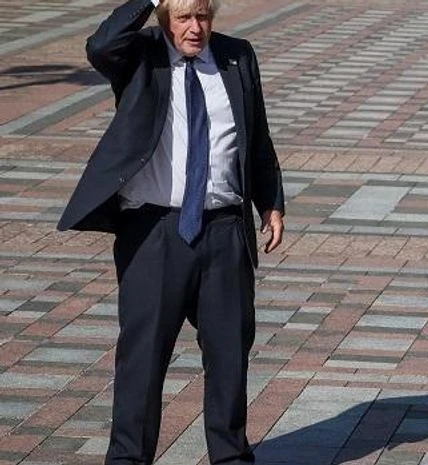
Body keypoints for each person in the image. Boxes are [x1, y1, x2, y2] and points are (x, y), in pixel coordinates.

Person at [57, 0, 285, 463]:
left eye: (203, 16)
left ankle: (230, 456)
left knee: (229, 357)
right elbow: (101, 45)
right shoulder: (141, 55)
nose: (195, 28)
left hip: (224, 231)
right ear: (165, 19)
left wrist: (271, 202)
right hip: (154, 232)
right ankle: (128, 459)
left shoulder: (238, 55)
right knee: (142, 360)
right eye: (183, 18)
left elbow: (256, 135)